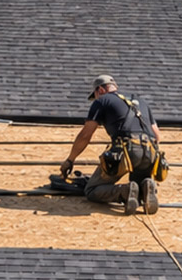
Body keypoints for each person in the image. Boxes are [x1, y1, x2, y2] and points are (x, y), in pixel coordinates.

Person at [61, 75, 163, 215]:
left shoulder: (102, 101)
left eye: (95, 95)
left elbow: (86, 135)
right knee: (138, 188)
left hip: (127, 150)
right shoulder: (140, 101)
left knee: (92, 190)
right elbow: (157, 136)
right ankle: (146, 186)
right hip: (151, 152)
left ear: (101, 90)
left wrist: (70, 160)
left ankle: (124, 191)